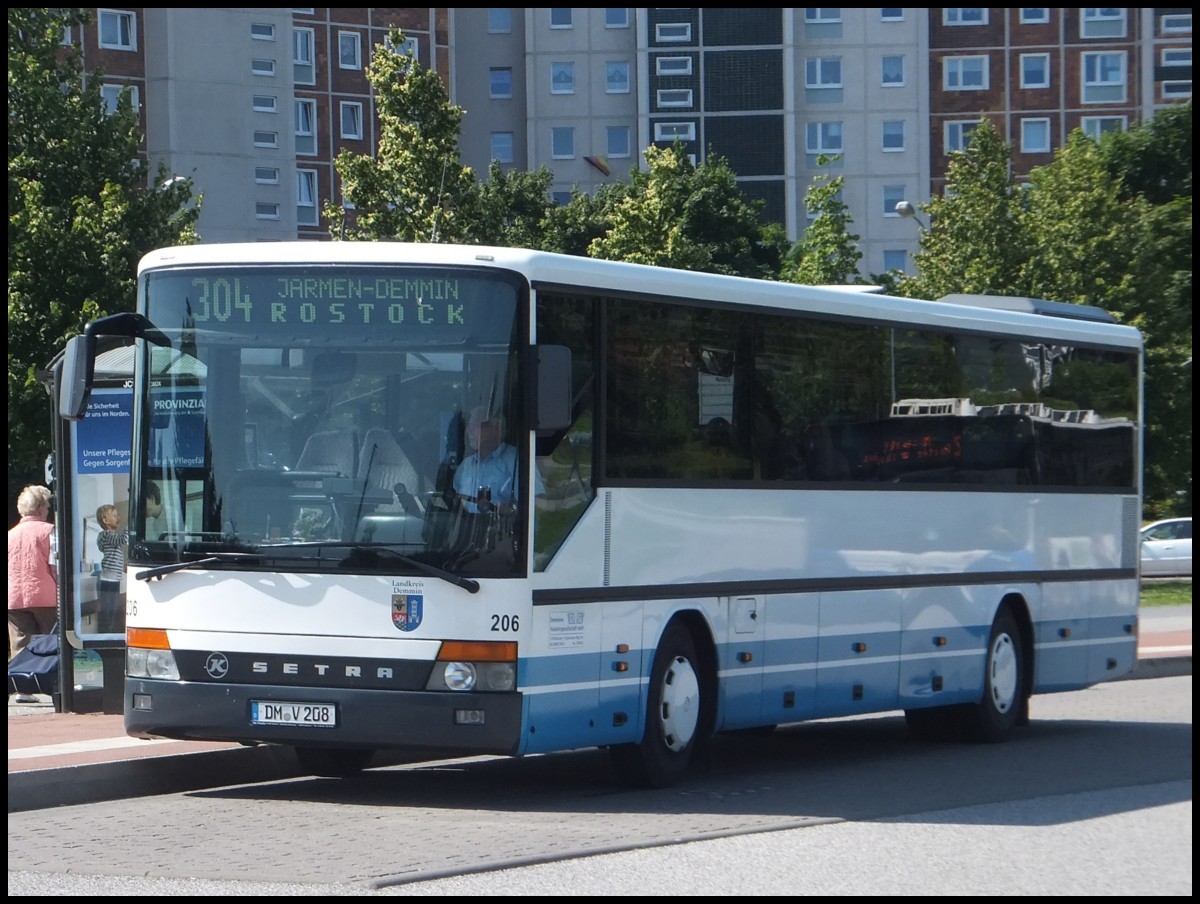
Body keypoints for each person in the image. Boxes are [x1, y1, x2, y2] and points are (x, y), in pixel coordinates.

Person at [8, 486, 58, 701]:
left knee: (20, 642)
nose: (48, 509)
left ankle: (23, 688)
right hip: (45, 594)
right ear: (40, 508)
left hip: (14, 597)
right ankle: (54, 683)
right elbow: (55, 565)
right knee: (51, 640)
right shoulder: (49, 531)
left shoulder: (10, 535)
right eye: (46, 506)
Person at [452, 406, 520, 514]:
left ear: (495, 429)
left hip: (501, 529)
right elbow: (454, 500)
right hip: (466, 528)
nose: (468, 430)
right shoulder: (466, 465)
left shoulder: (516, 461)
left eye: (474, 425)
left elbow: (535, 502)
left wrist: (510, 509)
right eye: (468, 425)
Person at [95, 504, 129, 634]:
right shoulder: (107, 535)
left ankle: (108, 630)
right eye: (115, 516)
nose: (118, 518)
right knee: (109, 609)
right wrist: (129, 525)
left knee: (111, 608)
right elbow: (124, 539)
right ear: (105, 521)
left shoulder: (107, 537)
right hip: (109, 580)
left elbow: (113, 553)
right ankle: (107, 632)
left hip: (112, 579)